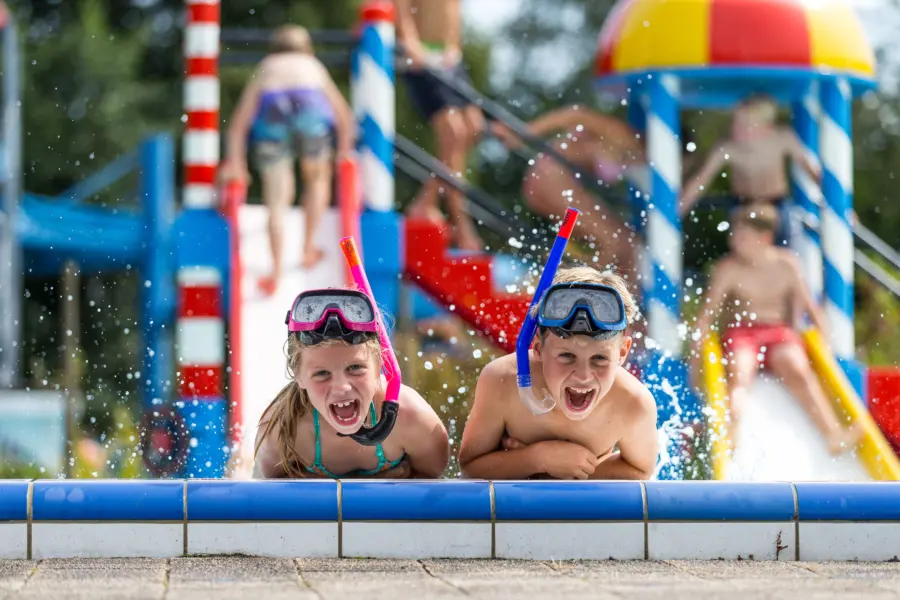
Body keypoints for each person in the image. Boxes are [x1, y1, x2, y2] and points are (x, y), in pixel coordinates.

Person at [689, 203, 861, 455]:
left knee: (797, 368)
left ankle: (832, 434)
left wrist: (825, 350)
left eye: (743, 237)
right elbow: (707, 315)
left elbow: (812, 309)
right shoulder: (729, 269)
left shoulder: (787, 264)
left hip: (778, 333)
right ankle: (730, 436)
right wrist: (696, 350)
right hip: (742, 333)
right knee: (739, 373)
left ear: (765, 238)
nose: (734, 241)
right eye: (734, 234)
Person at [458, 266, 659, 480]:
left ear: (622, 352)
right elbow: (470, 468)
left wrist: (563, 474)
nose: (583, 376)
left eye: (599, 358)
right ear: (538, 348)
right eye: (567, 356)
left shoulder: (633, 404)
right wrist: (538, 459)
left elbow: (641, 471)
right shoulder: (503, 381)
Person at [252, 288, 450, 478]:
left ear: (380, 364)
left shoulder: (412, 419)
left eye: (355, 368)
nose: (342, 387)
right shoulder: (282, 432)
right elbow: (261, 496)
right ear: (298, 376)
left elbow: (436, 492)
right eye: (322, 373)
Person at [221, 25, 356, 295]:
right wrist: (344, 151)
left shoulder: (267, 66)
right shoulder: (312, 65)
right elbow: (344, 117)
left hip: (273, 113)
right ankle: (308, 247)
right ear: (306, 47)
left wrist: (236, 162)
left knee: (277, 198)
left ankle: (276, 271)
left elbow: (238, 124)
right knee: (317, 182)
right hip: (310, 110)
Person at [492, 105, 698, 280]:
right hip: (549, 178)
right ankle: (568, 287)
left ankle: (626, 307)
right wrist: (524, 133)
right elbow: (575, 114)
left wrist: (712, 164)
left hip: (561, 183)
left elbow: (677, 203)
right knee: (613, 243)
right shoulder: (622, 135)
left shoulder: (640, 160)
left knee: (629, 245)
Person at [396, 0, 485, 252]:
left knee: (474, 126)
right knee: (454, 133)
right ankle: (462, 223)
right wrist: (410, 42)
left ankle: (426, 200)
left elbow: (451, 11)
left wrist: (454, 46)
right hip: (421, 54)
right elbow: (402, 10)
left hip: (449, 57)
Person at [679, 94, 822, 242]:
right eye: (735, 122)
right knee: (745, 247)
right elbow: (699, 182)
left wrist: (831, 200)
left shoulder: (782, 139)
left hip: (776, 204)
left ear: (766, 127)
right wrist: (678, 209)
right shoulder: (728, 147)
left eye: (744, 125)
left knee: (784, 244)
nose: (735, 129)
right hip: (743, 205)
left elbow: (813, 172)